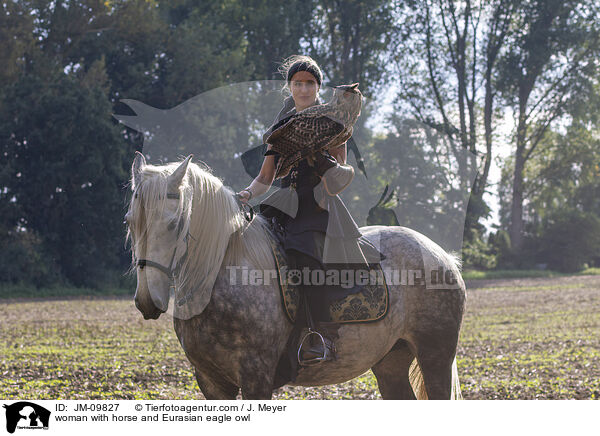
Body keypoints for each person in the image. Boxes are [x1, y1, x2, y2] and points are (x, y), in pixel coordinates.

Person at [237, 55, 382, 368]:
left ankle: (318, 335)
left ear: (318, 87)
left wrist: (329, 165)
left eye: (310, 83)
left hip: (318, 206)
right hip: (284, 203)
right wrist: (247, 194)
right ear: (290, 87)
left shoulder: (335, 123)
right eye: (298, 83)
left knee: (303, 256)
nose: (304, 89)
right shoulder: (279, 131)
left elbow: (340, 176)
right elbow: (265, 178)